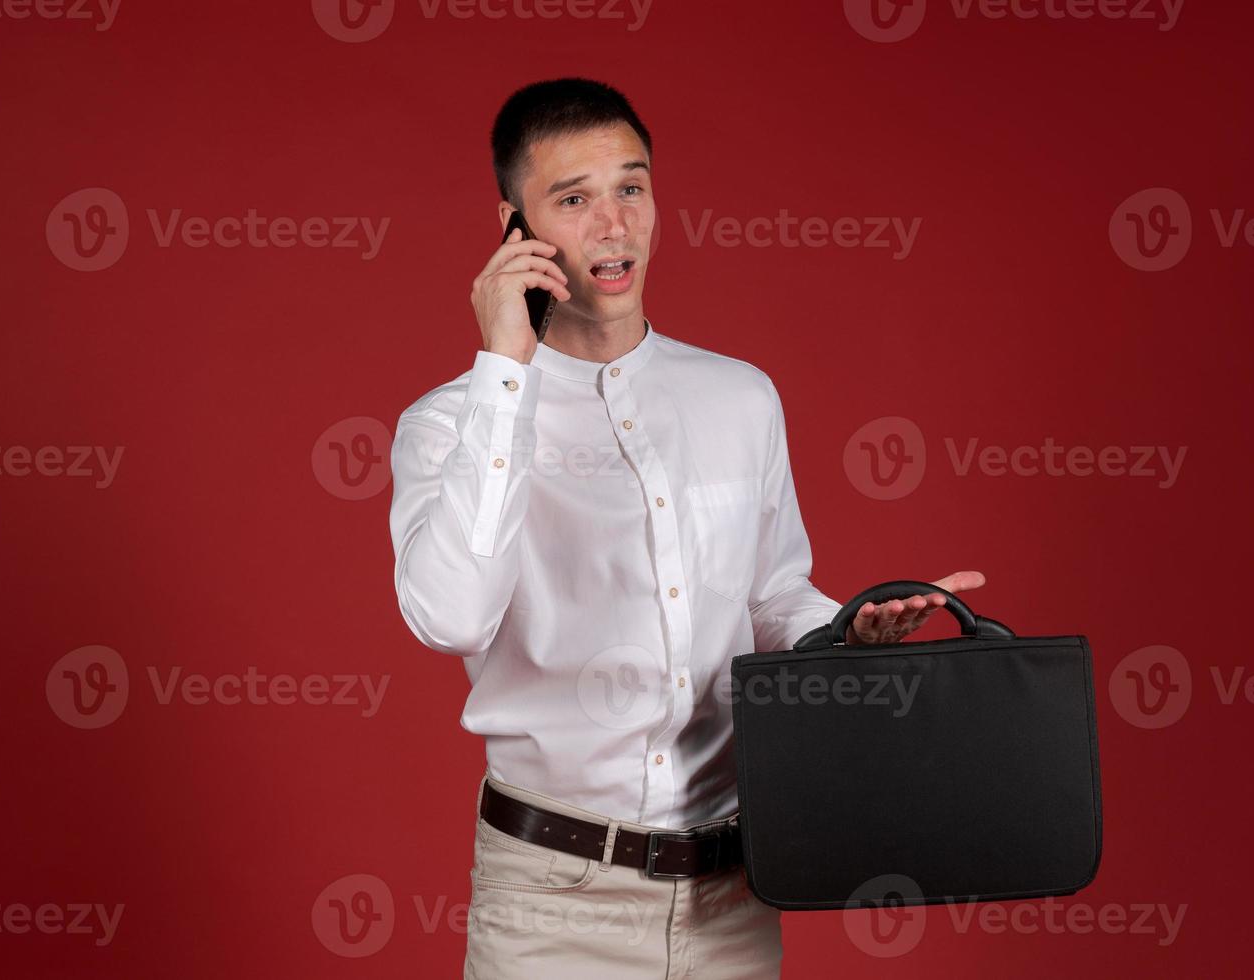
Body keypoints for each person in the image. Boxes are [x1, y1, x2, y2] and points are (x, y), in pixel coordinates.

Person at [387, 77, 986, 978]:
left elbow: (771, 593)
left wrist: (843, 630)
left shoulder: (739, 398)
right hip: (551, 904)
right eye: (574, 199)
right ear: (514, 225)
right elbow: (452, 618)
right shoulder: (451, 424)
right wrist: (503, 370)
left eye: (630, 188)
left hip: (734, 894)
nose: (614, 224)